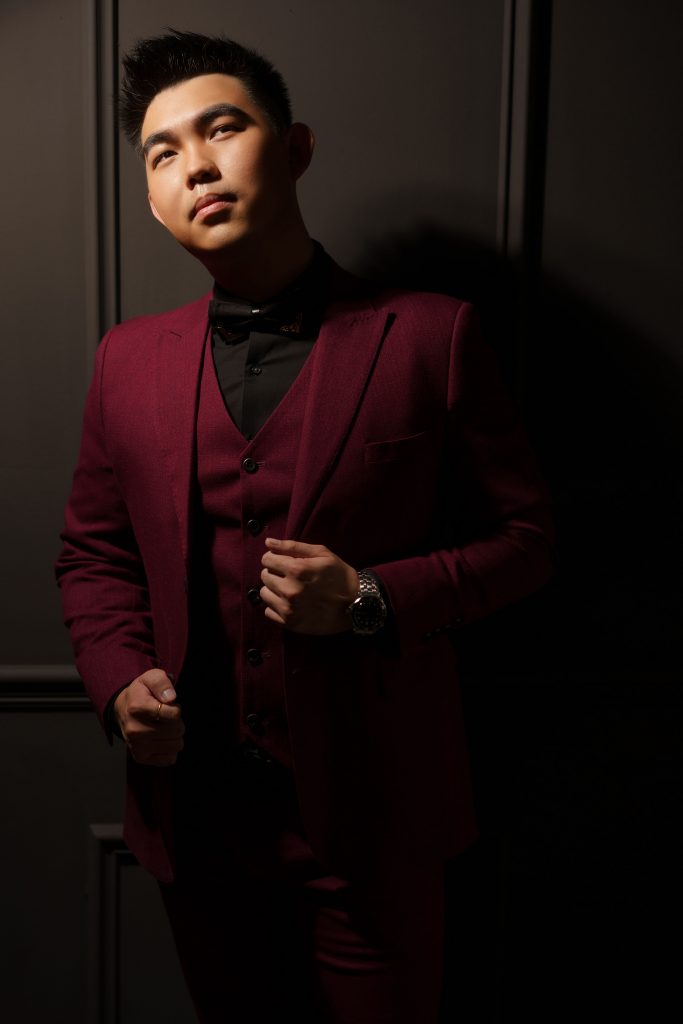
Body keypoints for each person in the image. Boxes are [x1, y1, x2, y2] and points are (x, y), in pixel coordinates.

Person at [56, 29, 554, 1024]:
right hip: (196, 822)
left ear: (295, 148)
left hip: (375, 822)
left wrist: (369, 597)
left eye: (222, 129)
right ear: (151, 195)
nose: (194, 165)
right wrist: (118, 682)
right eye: (161, 153)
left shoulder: (430, 335)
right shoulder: (125, 360)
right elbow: (92, 555)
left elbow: (526, 540)